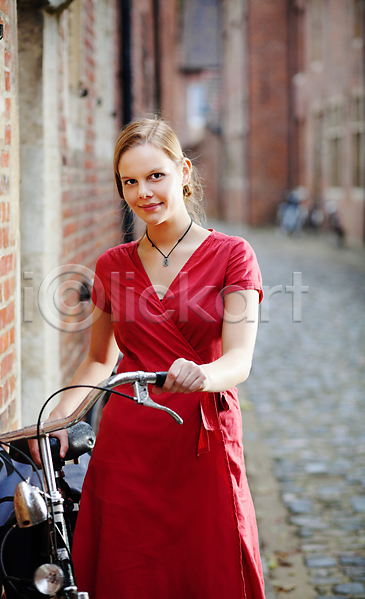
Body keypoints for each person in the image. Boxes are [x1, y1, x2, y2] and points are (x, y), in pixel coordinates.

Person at [31, 117, 265, 599]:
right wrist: (57, 417)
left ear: (182, 170)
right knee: (130, 573)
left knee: (208, 570)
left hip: (202, 441)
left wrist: (202, 374)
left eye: (155, 176)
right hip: (128, 447)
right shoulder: (111, 264)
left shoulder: (233, 254)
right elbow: (98, 361)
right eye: (130, 182)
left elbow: (239, 360)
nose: (144, 192)